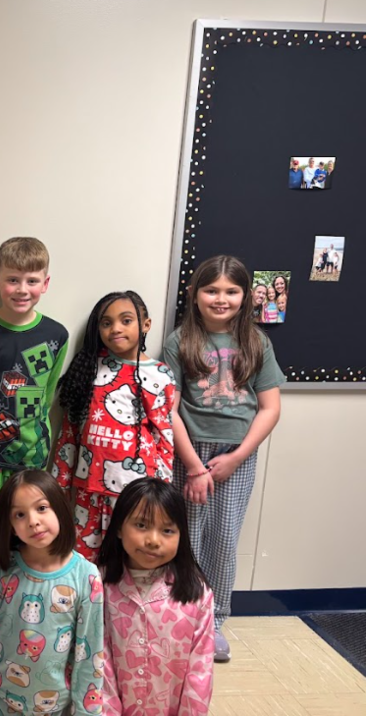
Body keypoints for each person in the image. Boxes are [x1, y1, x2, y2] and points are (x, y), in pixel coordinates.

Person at [163, 255, 284, 662]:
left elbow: (269, 408)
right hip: (189, 454)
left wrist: (236, 458)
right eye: (211, 290)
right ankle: (181, 613)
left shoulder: (256, 343)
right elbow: (169, 409)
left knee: (222, 540)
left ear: (245, 296)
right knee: (185, 535)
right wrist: (195, 467)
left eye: (231, 291)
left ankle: (213, 622)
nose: (221, 298)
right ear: (195, 294)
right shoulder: (180, 340)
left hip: (236, 457)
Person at [0, 237, 69, 588]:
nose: (22, 289)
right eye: (12, 280)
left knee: (30, 548)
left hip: (32, 463)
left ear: (45, 284)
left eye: (32, 281)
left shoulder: (56, 335)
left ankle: (22, 619)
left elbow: (47, 396)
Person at [51, 291, 176, 561]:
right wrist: (59, 483)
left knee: (129, 564)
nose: (115, 328)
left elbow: (164, 436)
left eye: (126, 320)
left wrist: (163, 493)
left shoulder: (160, 374)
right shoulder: (88, 368)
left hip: (137, 495)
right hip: (89, 491)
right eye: (106, 323)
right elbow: (70, 430)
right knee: (85, 566)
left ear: (145, 325)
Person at [0, 470, 104, 716]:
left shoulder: (87, 576)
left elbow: (89, 653)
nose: (33, 521)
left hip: (56, 707)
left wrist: (87, 711)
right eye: (20, 514)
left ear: (59, 508)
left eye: (41, 508)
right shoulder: (0, 570)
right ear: (10, 525)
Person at [97, 478, 214, 715]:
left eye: (167, 530)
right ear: (119, 527)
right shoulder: (100, 586)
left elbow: (200, 671)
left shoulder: (196, 594)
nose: (153, 540)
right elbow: (99, 662)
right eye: (141, 525)